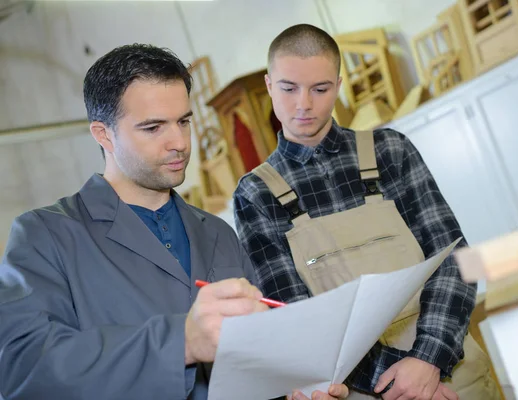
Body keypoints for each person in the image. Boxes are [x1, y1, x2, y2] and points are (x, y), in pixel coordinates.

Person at [0, 44, 348, 400]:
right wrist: (181, 343)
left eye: (184, 121)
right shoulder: (45, 236)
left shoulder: (217, 233)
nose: (179, 143)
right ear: (103, 135)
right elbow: (21, 369)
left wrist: (295, 388)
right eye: (153, 128)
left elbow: (255, 358)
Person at [234, 24, 502, 400]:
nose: (304, 104)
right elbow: (295, 317)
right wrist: (399, 382)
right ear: (268, 85)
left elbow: (457, 259)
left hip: (450, 376)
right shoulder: (256, 193)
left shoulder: (391, 151)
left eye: (320, 89)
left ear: (339, 85)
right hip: (361, 388)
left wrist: (428, 360)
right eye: (289, 88)